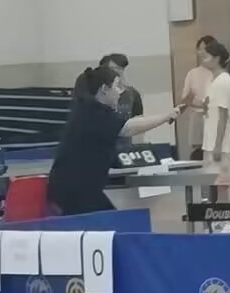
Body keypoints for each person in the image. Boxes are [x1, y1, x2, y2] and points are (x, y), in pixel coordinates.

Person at [45, 63, 180, 217]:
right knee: (112, 221)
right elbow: (127, 128)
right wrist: (165, 117)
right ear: (104, 89)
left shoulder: (92, 111)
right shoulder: (92, 113)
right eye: (116, 86)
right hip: (73, 190)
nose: (119, 92)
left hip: (82, 187)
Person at [198, 39, 230, 201]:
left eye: (207, 56)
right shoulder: (213, 80)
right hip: (210, 142)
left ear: (217, 58)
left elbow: (223, 116)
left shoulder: (224, 81)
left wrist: (218, 145)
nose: (203, 58)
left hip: (223, 145)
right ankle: (220, 214)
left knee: (227, 183)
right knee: (216, 185)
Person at [176, 36, 221, 159]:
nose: (202, 52)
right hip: (198, 115)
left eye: (205, 49)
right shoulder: (193, 73)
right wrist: (199, 103)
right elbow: (185, 98)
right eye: (199, 49)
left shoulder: (220, 71)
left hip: (217, 115)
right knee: (199, 151)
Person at [99, 52, 144, 119]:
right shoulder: (95, 93)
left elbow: (139, 119)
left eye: (120, 68)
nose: (117, 71)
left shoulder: (133, 94)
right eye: (113, 68)